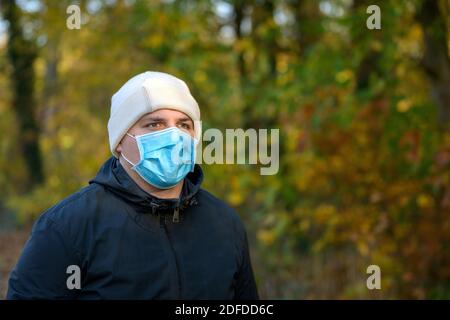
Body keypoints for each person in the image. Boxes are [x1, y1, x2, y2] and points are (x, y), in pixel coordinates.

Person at [7, 71, 259, 300]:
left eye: (184, 125)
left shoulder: (224, 223)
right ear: (120, 141)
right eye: (154, 124)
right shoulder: (68, 226)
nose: (173, 136)